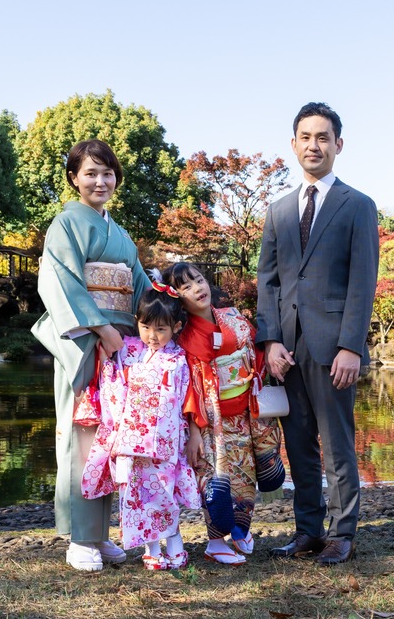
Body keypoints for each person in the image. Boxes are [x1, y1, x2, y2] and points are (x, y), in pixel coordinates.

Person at [256, 102, 379, 565]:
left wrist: (351, 346)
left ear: (338, 145)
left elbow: (362, 281)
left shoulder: (358, 206)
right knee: (298, 444)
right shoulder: (279, 210)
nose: (314, 145)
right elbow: (267, 281)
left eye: (323, 137)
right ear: (293, 144)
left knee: (337, 444)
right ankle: (307, 531)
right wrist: (268, 341)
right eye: (305, 137)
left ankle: (342, 532)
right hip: (286, 348)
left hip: (333, 347)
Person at [31, 139, 150, 572]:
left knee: (112, 438)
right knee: (82, 436)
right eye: (90, 173)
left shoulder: (119, 233)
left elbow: (140, 289)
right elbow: (60, 282)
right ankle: (80, 538)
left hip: (118, 342)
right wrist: (99, 329)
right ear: (74, 179)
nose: (101, 181)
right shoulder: (65, 225)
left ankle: (100, 535)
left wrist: (170, 313)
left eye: (108, 173)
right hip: (86, 341)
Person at [168, 261, 285, 565]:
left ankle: (240, 530)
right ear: (178, 297)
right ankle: (215, 542)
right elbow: (189, 388)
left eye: (199, 280)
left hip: (246, 413)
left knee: (245, 477)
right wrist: (193, 431)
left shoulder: (233, 317)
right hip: (211, 422)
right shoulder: (184, 338)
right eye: (186, 286)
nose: (197, 288)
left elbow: (258, 353)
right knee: (217, 480)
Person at [81, 282, 200, 570]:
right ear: (138, 322)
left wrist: (191, 432)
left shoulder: (179, 359)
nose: (152, 335)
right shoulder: (127, 349)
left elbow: (186, 396)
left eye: (161, 329)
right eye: (146, 327)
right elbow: (111, 381)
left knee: (163, 493)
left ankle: (175, 547)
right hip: (130, 436)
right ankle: (151, 549)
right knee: (137, 495)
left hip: (165, 439)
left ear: (176, 327)